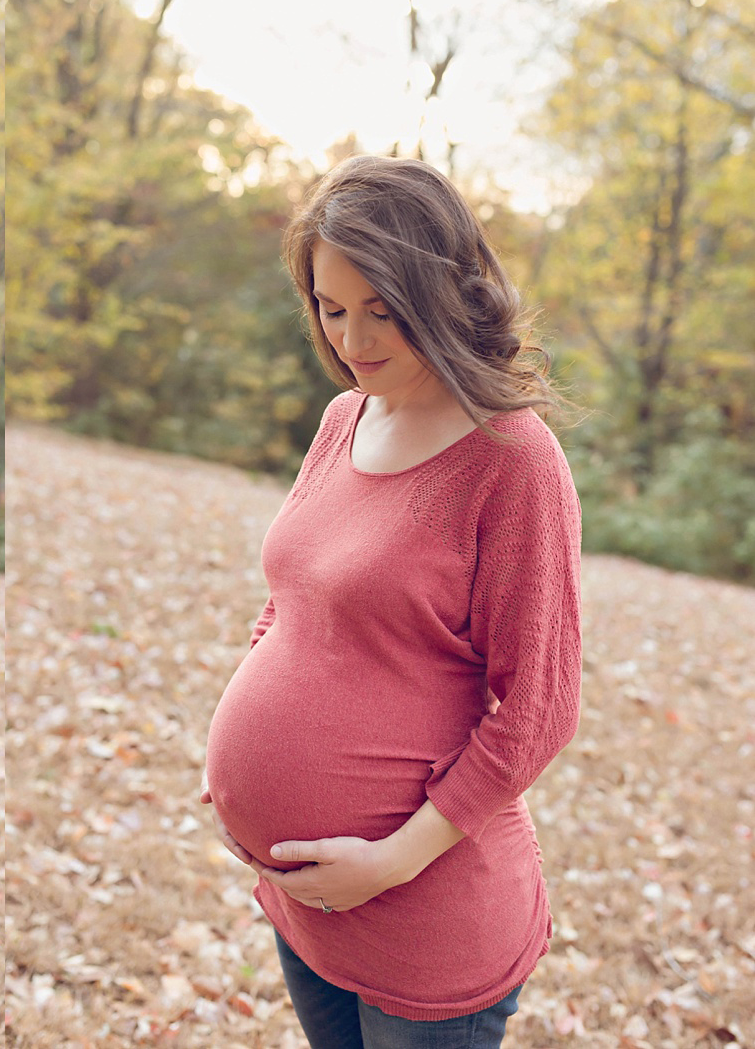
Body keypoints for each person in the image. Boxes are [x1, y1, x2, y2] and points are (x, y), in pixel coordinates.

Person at [199, 154, 582, 1047]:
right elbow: (292, 602)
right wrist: (230, 771)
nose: (353, 339)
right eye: (332, 308)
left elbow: (539, 709)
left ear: (443, 292)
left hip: (427, 917)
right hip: (307, 902)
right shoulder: (345, 419)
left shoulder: (512, 460)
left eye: (381, 308)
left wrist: (389, 861)